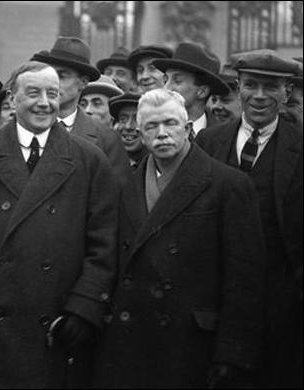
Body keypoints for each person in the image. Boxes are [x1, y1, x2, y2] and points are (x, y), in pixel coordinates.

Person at [0, 61, 119, 388]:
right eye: (33, 93)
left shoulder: (89, 160)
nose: (44, 102)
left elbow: (105, 244)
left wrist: (84, 308)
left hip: (57, 322)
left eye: (52, 94)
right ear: (13, 100)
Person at [93, 88, 266, 388]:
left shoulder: (228, 185)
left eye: (170, 124)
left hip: (194, 344)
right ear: (141, 135)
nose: (162, 134)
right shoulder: (126, 188)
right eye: (151, 126)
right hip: (132, 341)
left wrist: (233, 353)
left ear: (187, 129)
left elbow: (245, 280)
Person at [195, 49, 302, 389]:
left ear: (286, 92)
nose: (259, 96)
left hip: (281, 308)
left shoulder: (300, 146)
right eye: (251, 84)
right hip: (213, 301)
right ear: (237, 86)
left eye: (270, 87)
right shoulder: (208, 142)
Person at [34, 36, 131, 187]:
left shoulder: (106, 139)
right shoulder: (26, 127)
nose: (52, 83)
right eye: (49, 75)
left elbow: (115, 198)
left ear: (83, 82)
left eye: (61, 76)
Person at [152, 42, 230, 138]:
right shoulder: (152, 130)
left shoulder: (224, 136)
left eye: (177, 81)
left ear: (202, 92)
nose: (167, 88)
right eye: (165, 80)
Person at [108, 93, 147, 168]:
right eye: (123, 119)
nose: (128, 126)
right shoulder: (106, 162)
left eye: (136, 119)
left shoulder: (159, 165)